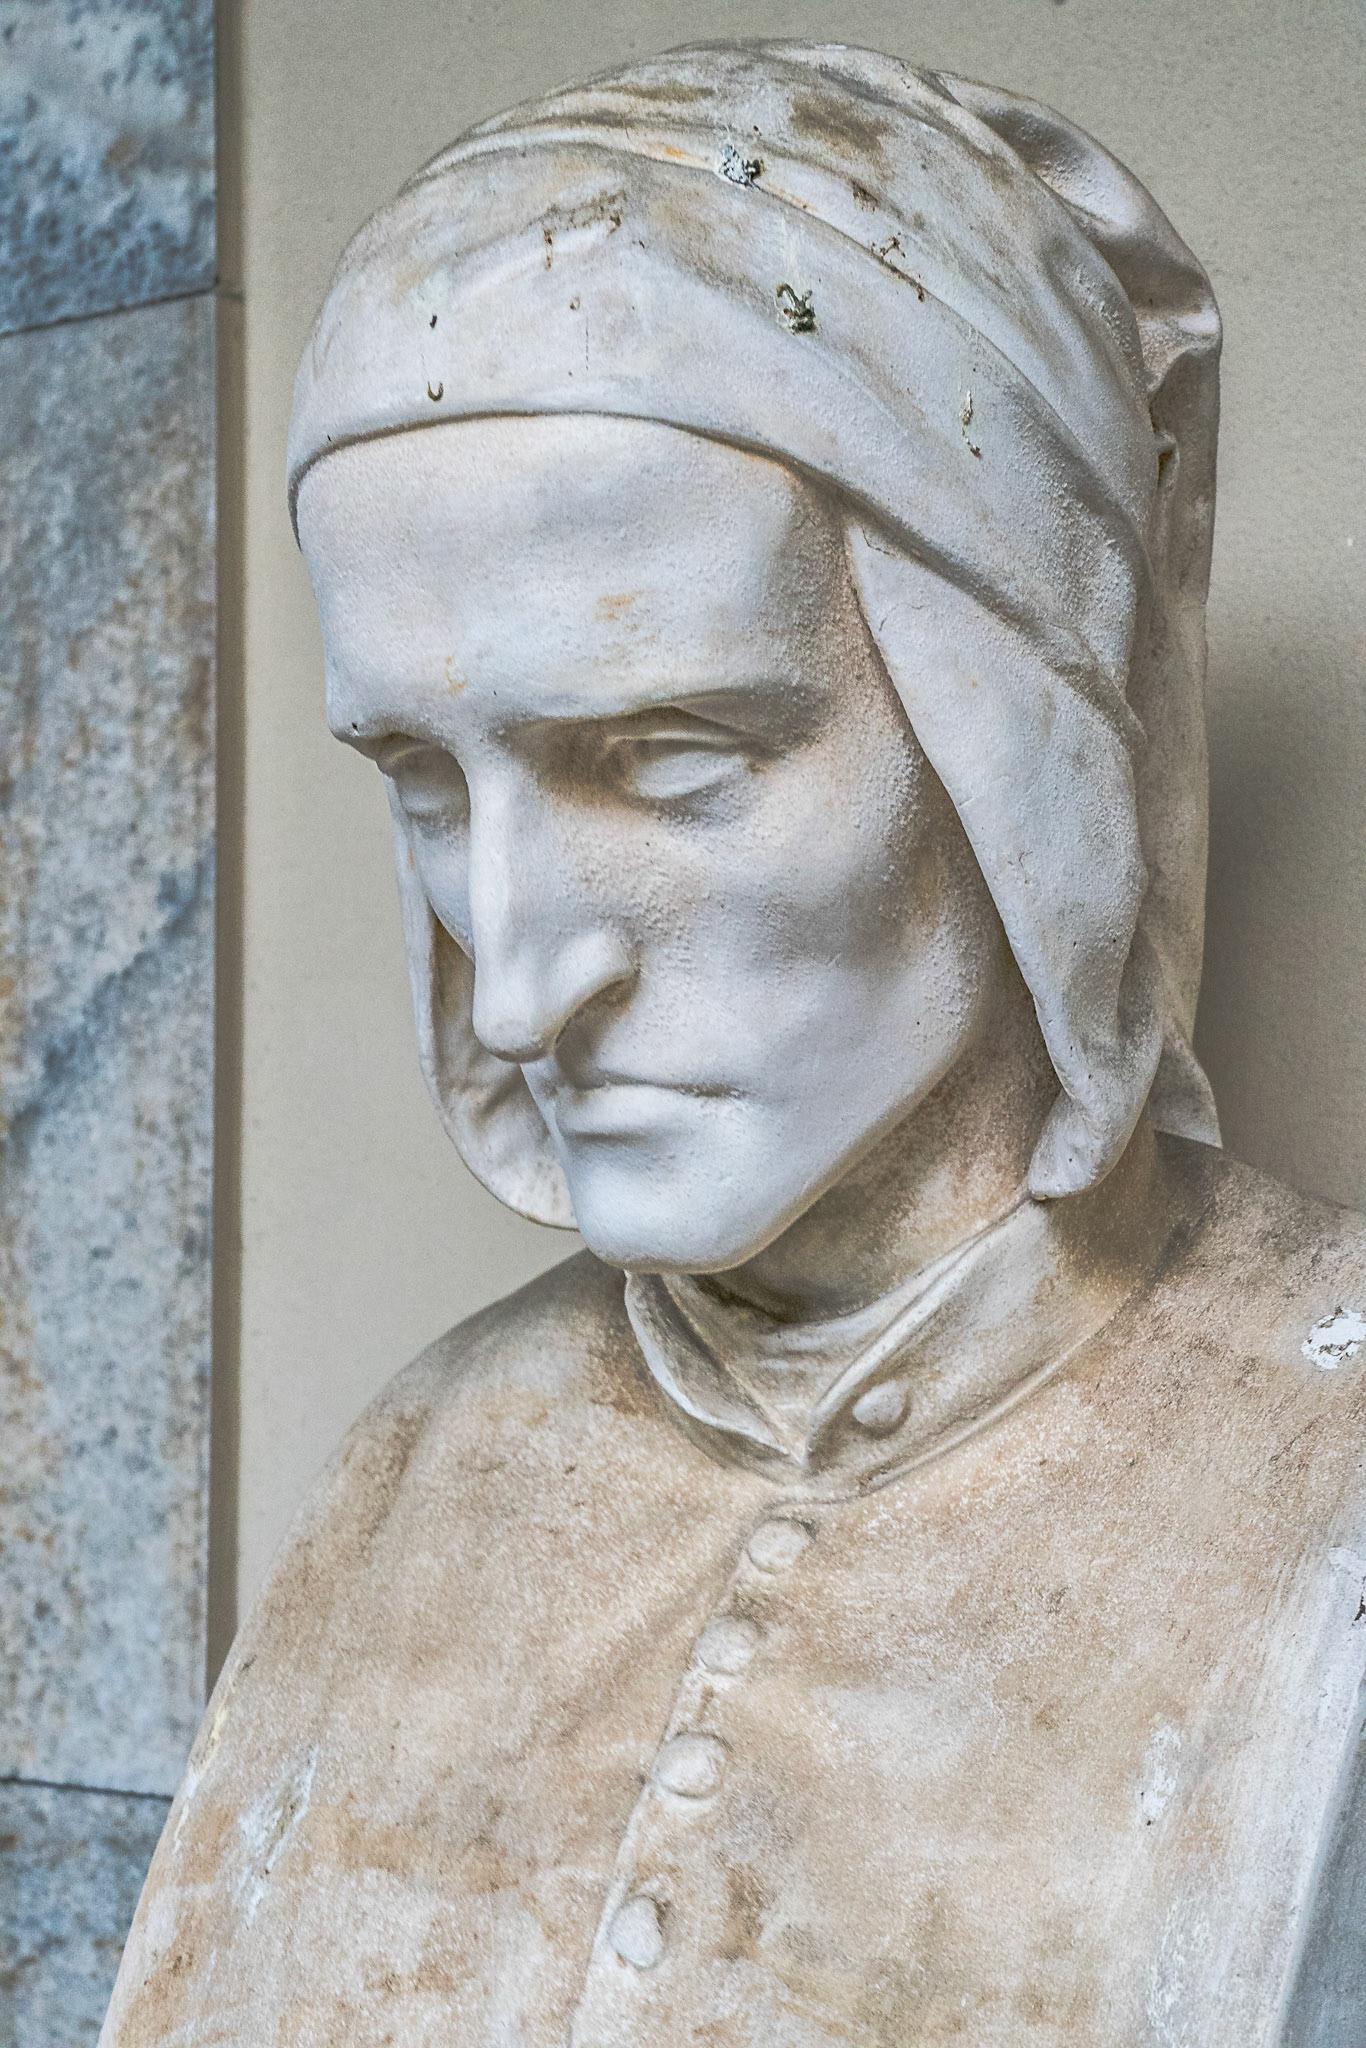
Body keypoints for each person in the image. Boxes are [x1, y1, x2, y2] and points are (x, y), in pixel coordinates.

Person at [103, 44, 1366, 2047]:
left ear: (1025, 736)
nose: (511, 984)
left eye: (674, 758)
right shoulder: (424, 1456)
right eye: (425, 783)